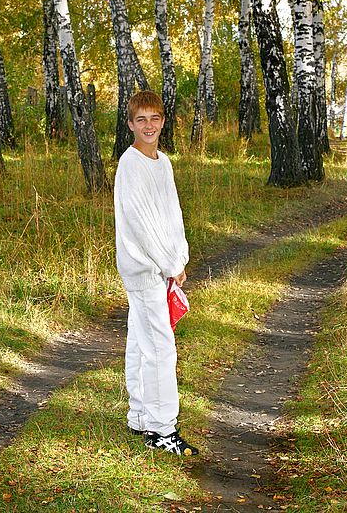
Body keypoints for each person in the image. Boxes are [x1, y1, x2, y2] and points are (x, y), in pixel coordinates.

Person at [113, 90, 198, 456]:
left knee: (141, 340)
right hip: (144, 266)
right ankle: (162, 431)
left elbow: (171, 214)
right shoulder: (130, 164)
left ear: (163, 121)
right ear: (130, 124)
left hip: (162, 265)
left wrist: (179, 257)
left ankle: (140, 416)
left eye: (155, 118)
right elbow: (143, 224)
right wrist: (168, 265)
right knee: (161, 348)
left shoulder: (163, 162)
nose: (149, 125)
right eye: (140, 120)